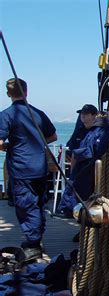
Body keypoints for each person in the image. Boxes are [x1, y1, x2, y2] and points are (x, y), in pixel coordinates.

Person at [0, 78, 57, 261]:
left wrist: (9, 146)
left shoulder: (7, 115)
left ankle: (33, 245)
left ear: (8, 94)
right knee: (39, 204)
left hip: (21, 168)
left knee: (26, 206)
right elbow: (53, 136)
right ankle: (36, 239)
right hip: (40, 168)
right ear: (26, 91)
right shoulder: (37, 113)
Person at [56, 105, 109, 218]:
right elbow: (72, 149)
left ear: (94, 115)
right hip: (80, 164)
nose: (82, 116)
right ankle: (69, 211)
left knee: (80, 186)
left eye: (86, 114)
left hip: (91, 166)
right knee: (75, 185)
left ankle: (74, 211)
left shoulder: (98, 132)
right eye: (81, 114)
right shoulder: (80, 132)